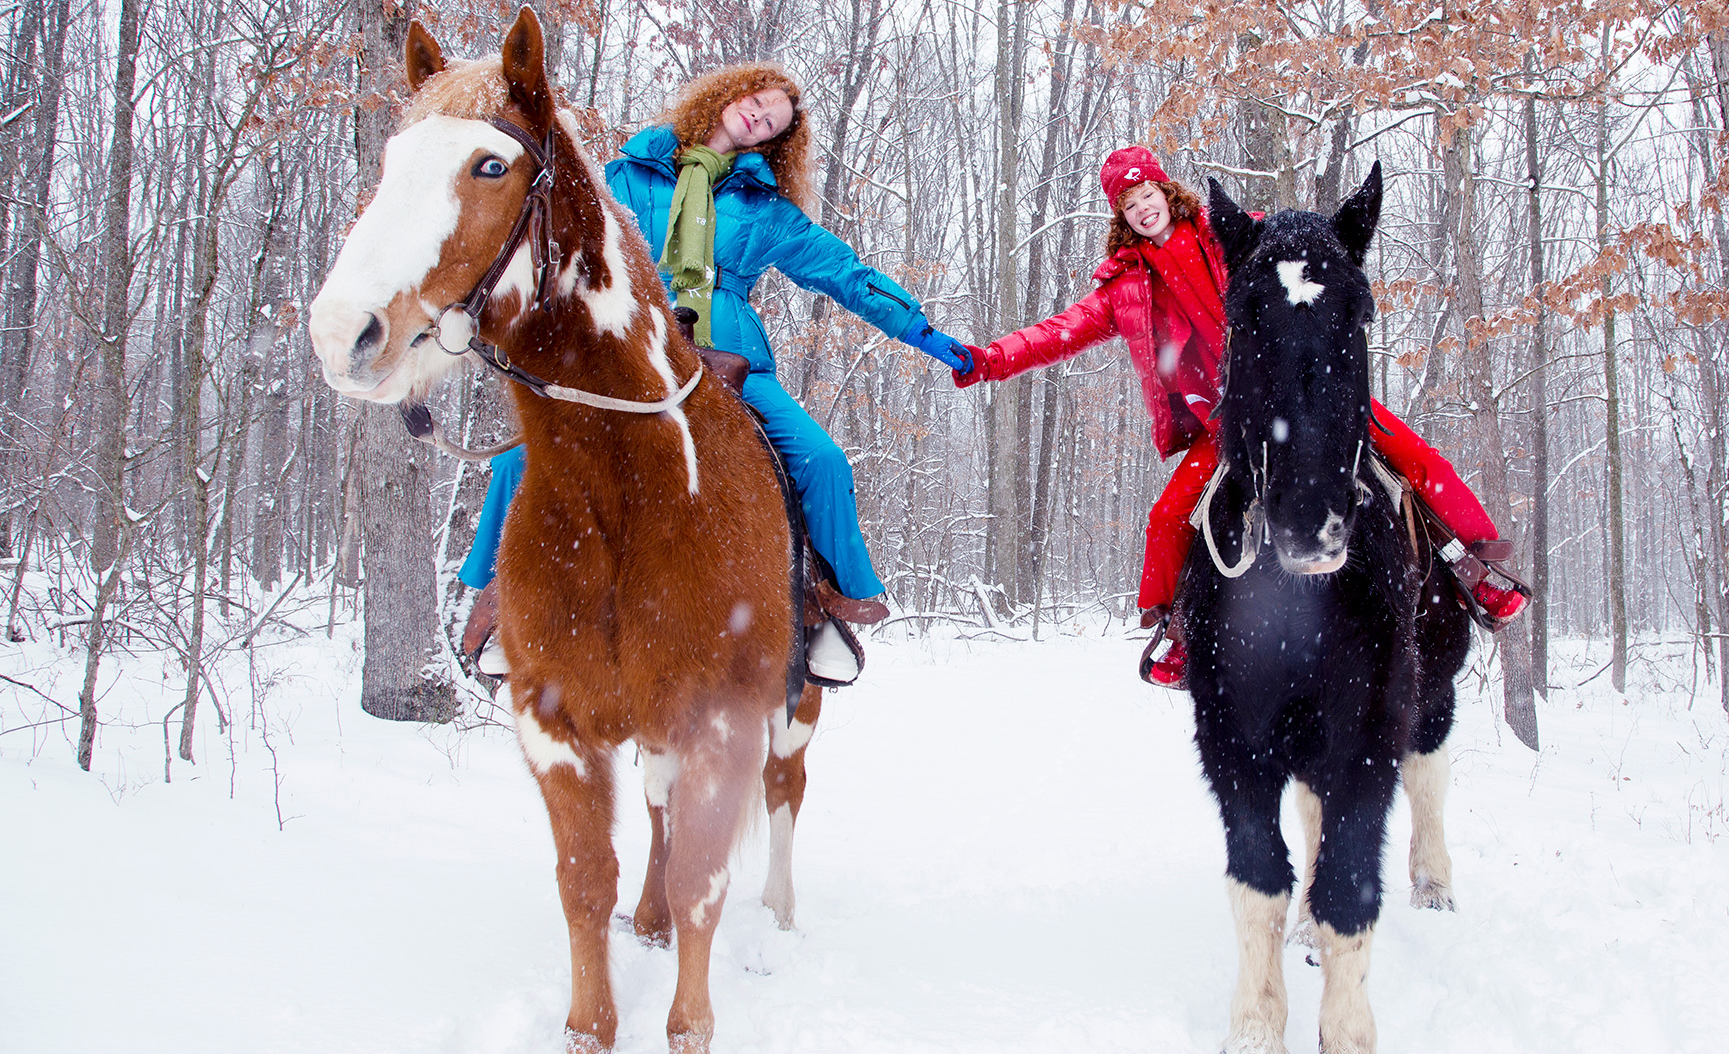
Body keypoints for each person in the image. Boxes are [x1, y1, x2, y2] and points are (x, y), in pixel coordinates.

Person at [460, 63, 972, 683]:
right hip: (627, 350)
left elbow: (846, 274)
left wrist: (923, 332)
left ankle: (822, 605)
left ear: (771, 143)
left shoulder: (767, 212)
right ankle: (497, 599)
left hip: (725, 358)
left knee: (821, 459)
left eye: (774, 123)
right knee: (520, 459)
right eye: (758, 101)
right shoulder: (625, 176)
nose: (761, 116)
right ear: (729, 96)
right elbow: (559, 247)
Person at [951, 146, 1526, 688]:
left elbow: (1307, 263)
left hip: (1309, 391)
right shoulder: (1124, 288)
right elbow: (1058, 333)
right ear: (1120, 217)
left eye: (1146, 192)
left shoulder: (1233, 235)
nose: (1142, 208)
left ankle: (1476, 570)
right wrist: (987, 360)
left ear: (1164, 189)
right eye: (1128, 204)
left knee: (1416, 459)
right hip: (1228, 416)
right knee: (1168, 516)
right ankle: (1175, 630)